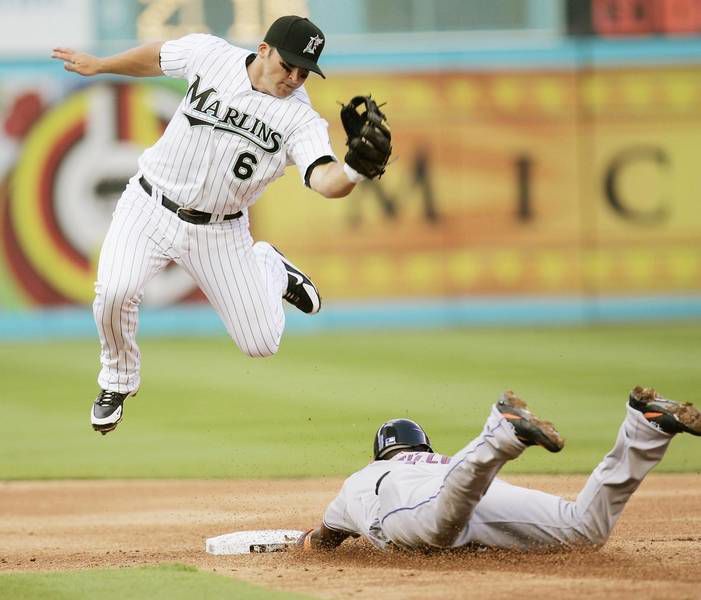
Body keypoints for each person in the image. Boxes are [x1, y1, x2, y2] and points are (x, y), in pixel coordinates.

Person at [51, 16, 390, 435]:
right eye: (289, 65)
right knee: (114, 292)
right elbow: (156, 56)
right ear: (264, 50)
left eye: (305, 72)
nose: (295, 78)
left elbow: (324, 178)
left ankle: (268, 266)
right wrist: (101, 65)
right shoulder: (212, 55)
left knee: (261, 343)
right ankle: (117, 380)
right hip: (149, 203)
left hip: (220, 231)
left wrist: (354, 171)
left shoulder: (301, 121)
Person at [297, 387, 701, 552]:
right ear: (424, 447)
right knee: (585, 531)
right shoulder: (442, 461)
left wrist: (303, 545)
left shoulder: (364, 479)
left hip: (420, 507)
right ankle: (644, 427)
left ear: (376, 456)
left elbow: (326, 537)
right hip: (475, 491)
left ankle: (501, 431)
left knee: (437, 532)